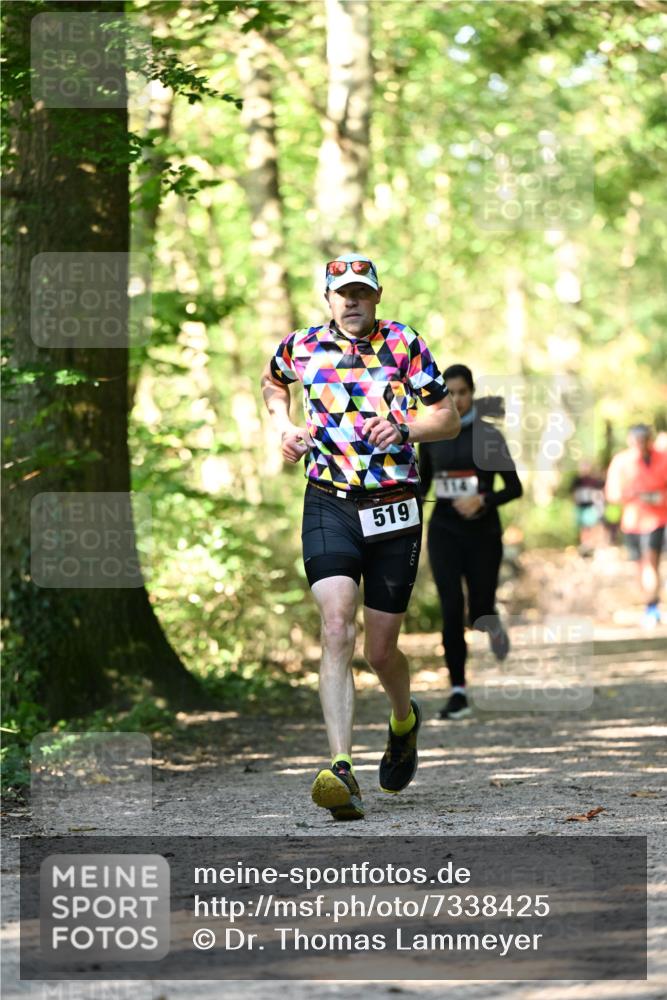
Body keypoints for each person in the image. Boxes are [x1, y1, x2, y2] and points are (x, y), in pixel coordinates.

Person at [261, 253, 460, 820]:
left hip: (394, 506)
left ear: (377, 296)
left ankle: (403, 720)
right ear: (328, 298)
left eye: (361, 292)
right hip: (328, 500)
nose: (352, 301)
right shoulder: (298, 346)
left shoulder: (404, 343)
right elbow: (273, 384)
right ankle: (341, 767)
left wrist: (404, 426)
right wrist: (283, 428)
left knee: (380, 650)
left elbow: (445, 418)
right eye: (342, 292)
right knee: (334, 623)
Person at [419, 365, 522, 720]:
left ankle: (491, 622)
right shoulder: (432, 437)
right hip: (444, 532)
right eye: (450, 393)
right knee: (450, 607)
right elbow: (422, 486)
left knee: (478, 609)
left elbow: (514, 488)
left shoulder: (489, 436)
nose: (457, 399)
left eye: (462, 392)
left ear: (472, 393)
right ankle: (458, 691)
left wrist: (483, 500)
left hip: (483, 535)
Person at [605, 424, 667, 627]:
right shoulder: (622, 461)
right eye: (636, 440)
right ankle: (649, 605)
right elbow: (612, 494)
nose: (640, 444)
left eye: (644, 440)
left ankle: (652, 607)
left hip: (657, 520)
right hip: (632, 522)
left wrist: (658, 497)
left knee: (651, 564)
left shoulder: (662, 457)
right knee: (639, 568)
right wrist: (631, 495)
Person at [570, 459, 606, 555]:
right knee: (583, 527)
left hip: (590, 507)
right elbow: (573, 493)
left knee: (591, 526)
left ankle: (591, 545)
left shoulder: (593, 481)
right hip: (580, 507)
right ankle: (585, 545)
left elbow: (599, 493)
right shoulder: (577, 480)